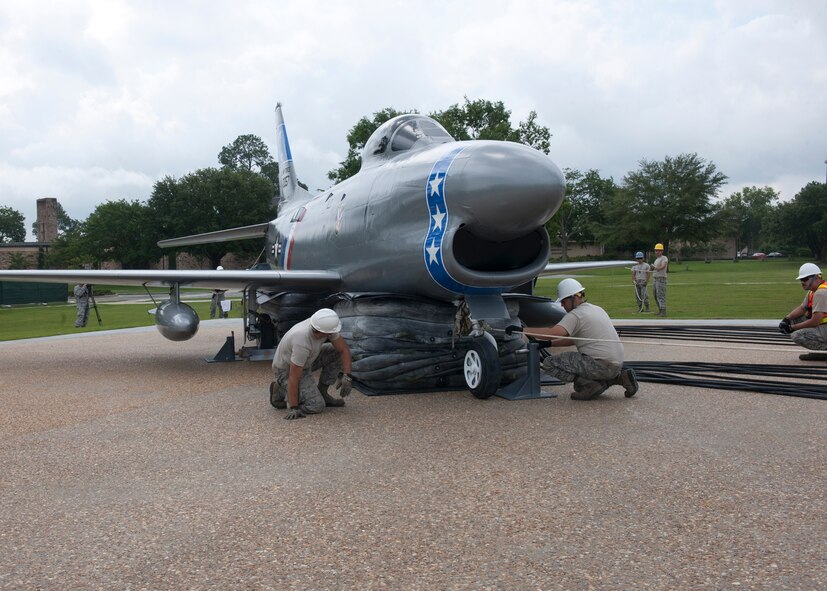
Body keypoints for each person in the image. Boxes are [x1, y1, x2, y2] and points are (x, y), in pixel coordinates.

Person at [523, 278, 638, 401]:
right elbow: (575, 339)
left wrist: (523, 330)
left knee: (549, 363)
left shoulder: (575, 315)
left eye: (563, 301)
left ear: (574, 297)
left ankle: (591, 385)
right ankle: (621, 378)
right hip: (616, 365)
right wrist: (548, 343)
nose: (562, 305)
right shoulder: (596, 309)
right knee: (585, 368)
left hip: (600, 365)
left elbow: (555, 332)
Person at [270, 308, 354, 420]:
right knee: (316, 405)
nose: (333, 333)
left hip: (307, 360)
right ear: (323, 332)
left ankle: (323, 393)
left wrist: (347, 376)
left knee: (335, 352)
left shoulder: (321, 324)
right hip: (286, 370)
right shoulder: (301, 340)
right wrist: (294, 407)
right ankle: (280, 390)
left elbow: (343, 349)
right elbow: (294, 376)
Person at [779, 263, 827, 360]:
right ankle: (822, 353)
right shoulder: (813, 291)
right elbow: (802, 308)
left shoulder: (821, 293)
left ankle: (824, 352)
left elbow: (815, 321)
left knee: (797, 336)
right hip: (823, 326)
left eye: (805, 279)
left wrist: (792, 328)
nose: (802, 282)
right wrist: (787, 319)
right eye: (801, 280)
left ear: (816, 277)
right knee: (794, 318)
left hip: (824, 326)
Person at [651, 243, 669, 316]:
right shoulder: (656, 259)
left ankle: (663, 311)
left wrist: (655, 268)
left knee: (661, 295)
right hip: (655, 279)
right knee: (655, 295)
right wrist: (652, 268)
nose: (657, 252)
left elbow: (663, 267)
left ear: (662, 251)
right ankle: (660, 310)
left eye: (658, 250)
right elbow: (655, 269)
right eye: (656, 250)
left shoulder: (664, 258)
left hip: (661, 279)